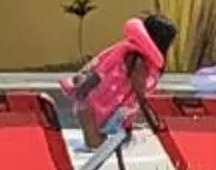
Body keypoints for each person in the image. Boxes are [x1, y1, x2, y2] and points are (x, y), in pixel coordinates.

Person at [67, 12, 177, 146]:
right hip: (101, 114)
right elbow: (142, 100)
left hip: (94, 108)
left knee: (109, 142)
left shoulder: (129, 50)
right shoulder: (138, 62)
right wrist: (158, 129)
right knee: (98, 146)